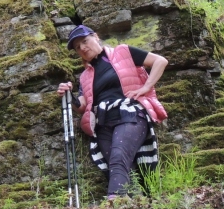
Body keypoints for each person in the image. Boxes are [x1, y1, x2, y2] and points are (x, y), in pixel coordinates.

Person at [58, 25, 168, 198]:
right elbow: (82, 106)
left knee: (118, 157)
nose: (83, 48)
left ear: (96, 37)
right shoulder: (85, 76)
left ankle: (113, 206)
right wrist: (68, 95)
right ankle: (138, 208)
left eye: (85, 41)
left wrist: (146, 87)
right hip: (103, 124)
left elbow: (160, 61)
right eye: (78, 47)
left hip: (129, 113)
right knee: (119, 167)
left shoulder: (123, 52)